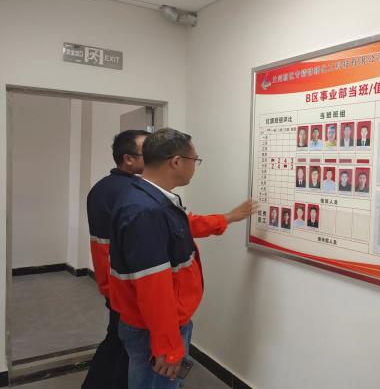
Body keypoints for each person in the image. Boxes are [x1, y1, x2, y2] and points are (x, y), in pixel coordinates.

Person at [83, 130, 255, 389]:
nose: (195, 166)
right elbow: (154, 287)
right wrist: (168, 346)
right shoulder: (146, 210)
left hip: (152, 323)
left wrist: (227, 218)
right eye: (195, 160)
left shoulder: (147, 197)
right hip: (153, 328)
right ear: (176, 162)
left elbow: (182, 226)